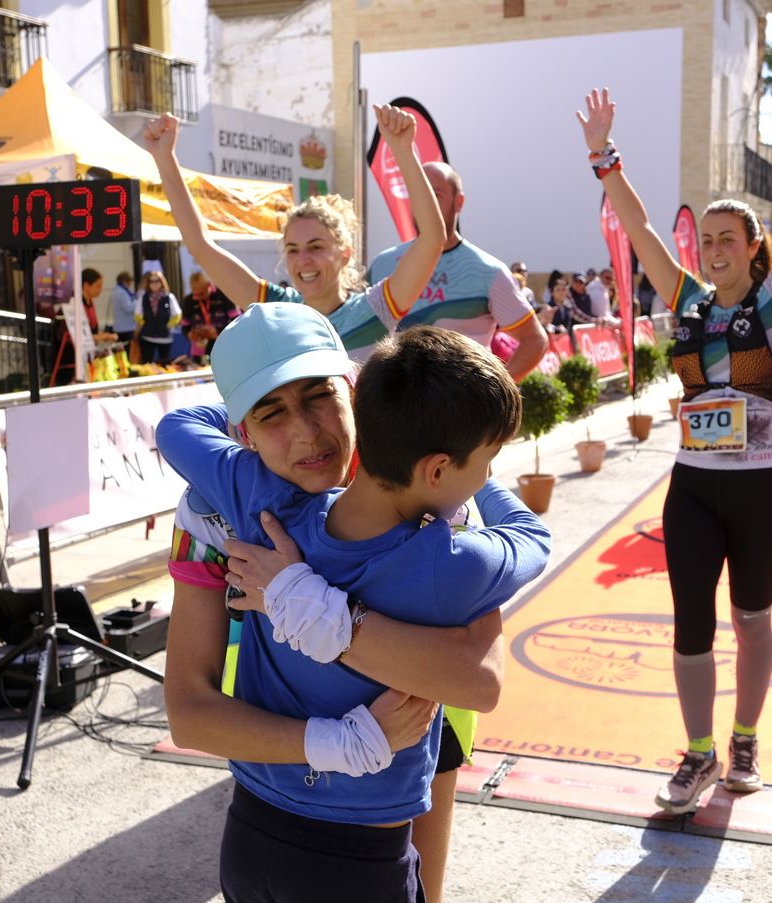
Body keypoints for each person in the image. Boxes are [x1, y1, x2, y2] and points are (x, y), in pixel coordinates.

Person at [158, 307, 550, 902]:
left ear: (353, 388)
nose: (307, 434)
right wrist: (334, 740)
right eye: (270, 415)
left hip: (414, 755)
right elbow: (189, 714)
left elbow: (479, 683)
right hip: (318, 807)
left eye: (318, 397)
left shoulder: (257, 496)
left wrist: (312, 606)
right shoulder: (214, 510)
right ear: (241, 433)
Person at [577, 41, 772, 812]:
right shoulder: (687, 298)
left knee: (752, 620)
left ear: (754, 251)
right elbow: (639, 226)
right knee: (689, 621)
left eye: (733, 239)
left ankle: (746, 736)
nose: (717, 248)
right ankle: (697, 754)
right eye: (711, 240)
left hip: (765, 492)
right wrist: (605, 157)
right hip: (694, 487)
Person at [147, 106, 443, 364]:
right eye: (292, 249)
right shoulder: (276, 308)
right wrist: (164, 157)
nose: (303, 260)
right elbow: (200, 246)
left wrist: (403, 150)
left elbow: (432, 239)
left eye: (315, 247)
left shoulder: (374, 309)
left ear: (345, 253)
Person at [368, 163, 550, 380]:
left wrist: (495, 392)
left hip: (463, 409)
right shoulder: (382, 264)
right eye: (418, 195)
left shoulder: (487, 271)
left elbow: (535, 340)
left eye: (435, 195)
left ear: (459, 202)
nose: (425, 203)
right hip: (395, 407)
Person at [134, 270, 181, 365]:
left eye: (157, 281)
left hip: (164, 337)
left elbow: (177, 314)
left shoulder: (169, 297)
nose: (154, 284)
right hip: (147, 337)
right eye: (151, 281)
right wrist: (145, 324)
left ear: (162, 282)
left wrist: (168, 326)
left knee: (164, 364)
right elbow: (137, 314)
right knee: (147, 364)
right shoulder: (143, 297)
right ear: (148, 283)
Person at [110, 271, 137, 351]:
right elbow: (128, 308)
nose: (131, 284)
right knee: (126, 351)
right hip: (125, 328)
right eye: (130, 282)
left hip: (122, 327)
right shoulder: (121, 292)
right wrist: (137, 301)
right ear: (125, 281)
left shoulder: (119, 291)